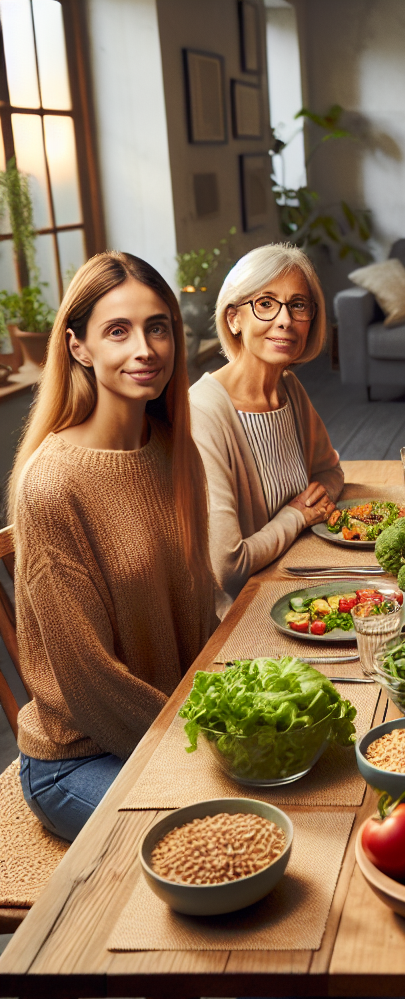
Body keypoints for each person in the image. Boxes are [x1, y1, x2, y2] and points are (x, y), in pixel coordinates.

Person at [10, 251, 216, 843]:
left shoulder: (175, 452)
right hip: (79, 757)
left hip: (169, 724)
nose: (144, 349)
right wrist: (205, 742)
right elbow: (88, 683)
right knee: (219, 836)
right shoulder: (52, 484)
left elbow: (196, 610)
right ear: (79, 347)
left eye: (158, 327)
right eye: (118, 331)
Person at [191, 244, 344, 617]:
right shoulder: (204, 411)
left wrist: (313, 501)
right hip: (244, 616)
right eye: (265, 303)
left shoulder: (289, 388)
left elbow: (331, 471)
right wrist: (296, 516)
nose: (285, 320)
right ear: (234, 319)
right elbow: (228, 567)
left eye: (298, 305)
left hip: (298, 584)